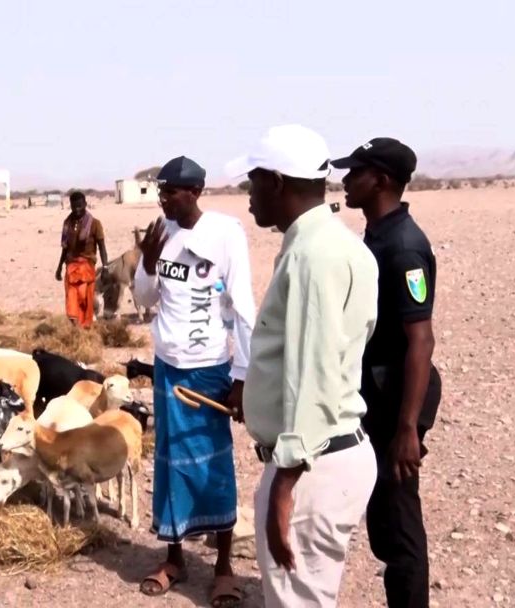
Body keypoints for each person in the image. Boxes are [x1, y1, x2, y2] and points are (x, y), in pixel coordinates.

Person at [228, 125, 379, 607]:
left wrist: (285, 483)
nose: (247, 195)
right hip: (330, 452)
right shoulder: (342, 244)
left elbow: (312, 371)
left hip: (311, 465)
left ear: (275, 181)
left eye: (252, 182)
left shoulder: (311, 256)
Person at [132, 156, 255, 608]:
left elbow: (241, 307)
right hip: (168, 368)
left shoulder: (225, 234)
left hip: (209, 370)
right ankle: (174, 557)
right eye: (160, 191)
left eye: (172, 192)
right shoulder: (160, 236)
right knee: (169, 462)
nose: (164, 198)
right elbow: (145, 300)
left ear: (196, 192)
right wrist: (147, 264)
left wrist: (241, 375)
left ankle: (223, 566)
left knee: (212, 462)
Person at [334, 137, 441, 608]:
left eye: (354, 171)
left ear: (379, 180)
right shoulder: (377, 235)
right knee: (383, 519)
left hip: (397, 397)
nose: (345, 179)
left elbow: (421, 338)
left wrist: (406, 429)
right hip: (377, 394)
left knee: (399, 528)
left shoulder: (403, 247)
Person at [55, 191, 108, 328]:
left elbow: (102, 247)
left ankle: (86, 328)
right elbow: (65, 248)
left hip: (87, 267)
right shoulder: (67, 223)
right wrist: (59, 266)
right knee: (72, 300)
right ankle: (76, 328)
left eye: (79, 206)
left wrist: (106, 267)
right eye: (74, 207)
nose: (77, 210)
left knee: (84, 298)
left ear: (85, 204)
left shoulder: (95, 224)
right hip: (71, 267)